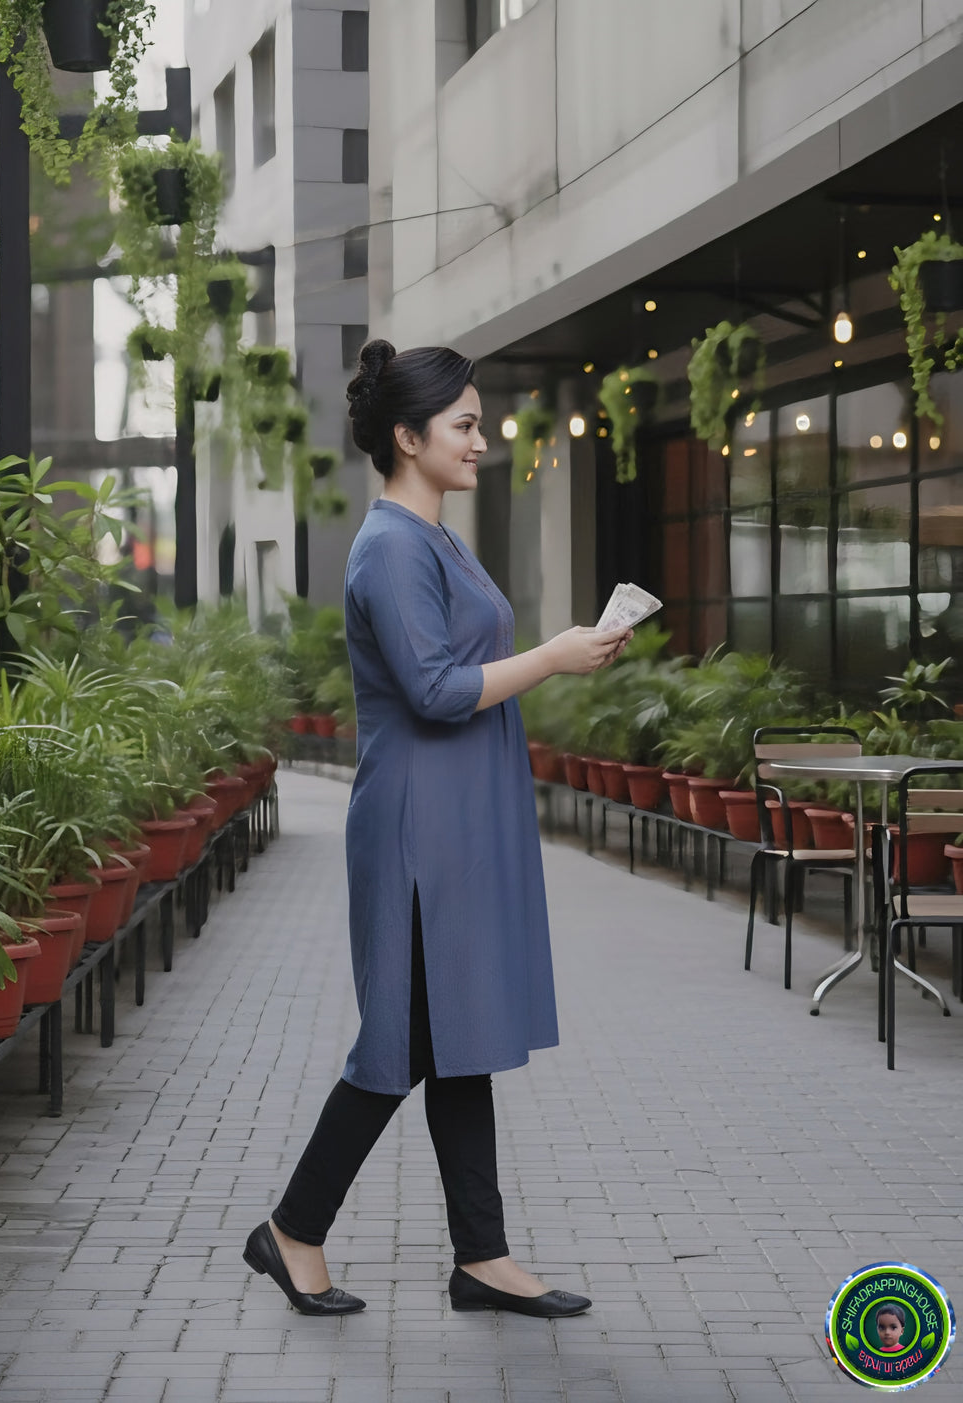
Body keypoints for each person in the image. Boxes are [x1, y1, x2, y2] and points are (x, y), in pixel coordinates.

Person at [244, 340, 631, 1318]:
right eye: (462, 423)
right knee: (404, 1042)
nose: (481, 437)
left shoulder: (437, 539)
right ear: (407, 437)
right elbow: (432, 688)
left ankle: (481, 1256)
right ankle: (293, 1226)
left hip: (453, 820)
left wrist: (560, 655)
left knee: (453, 1035)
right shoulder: (389, 547)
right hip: (420, 827)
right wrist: (553, 654)